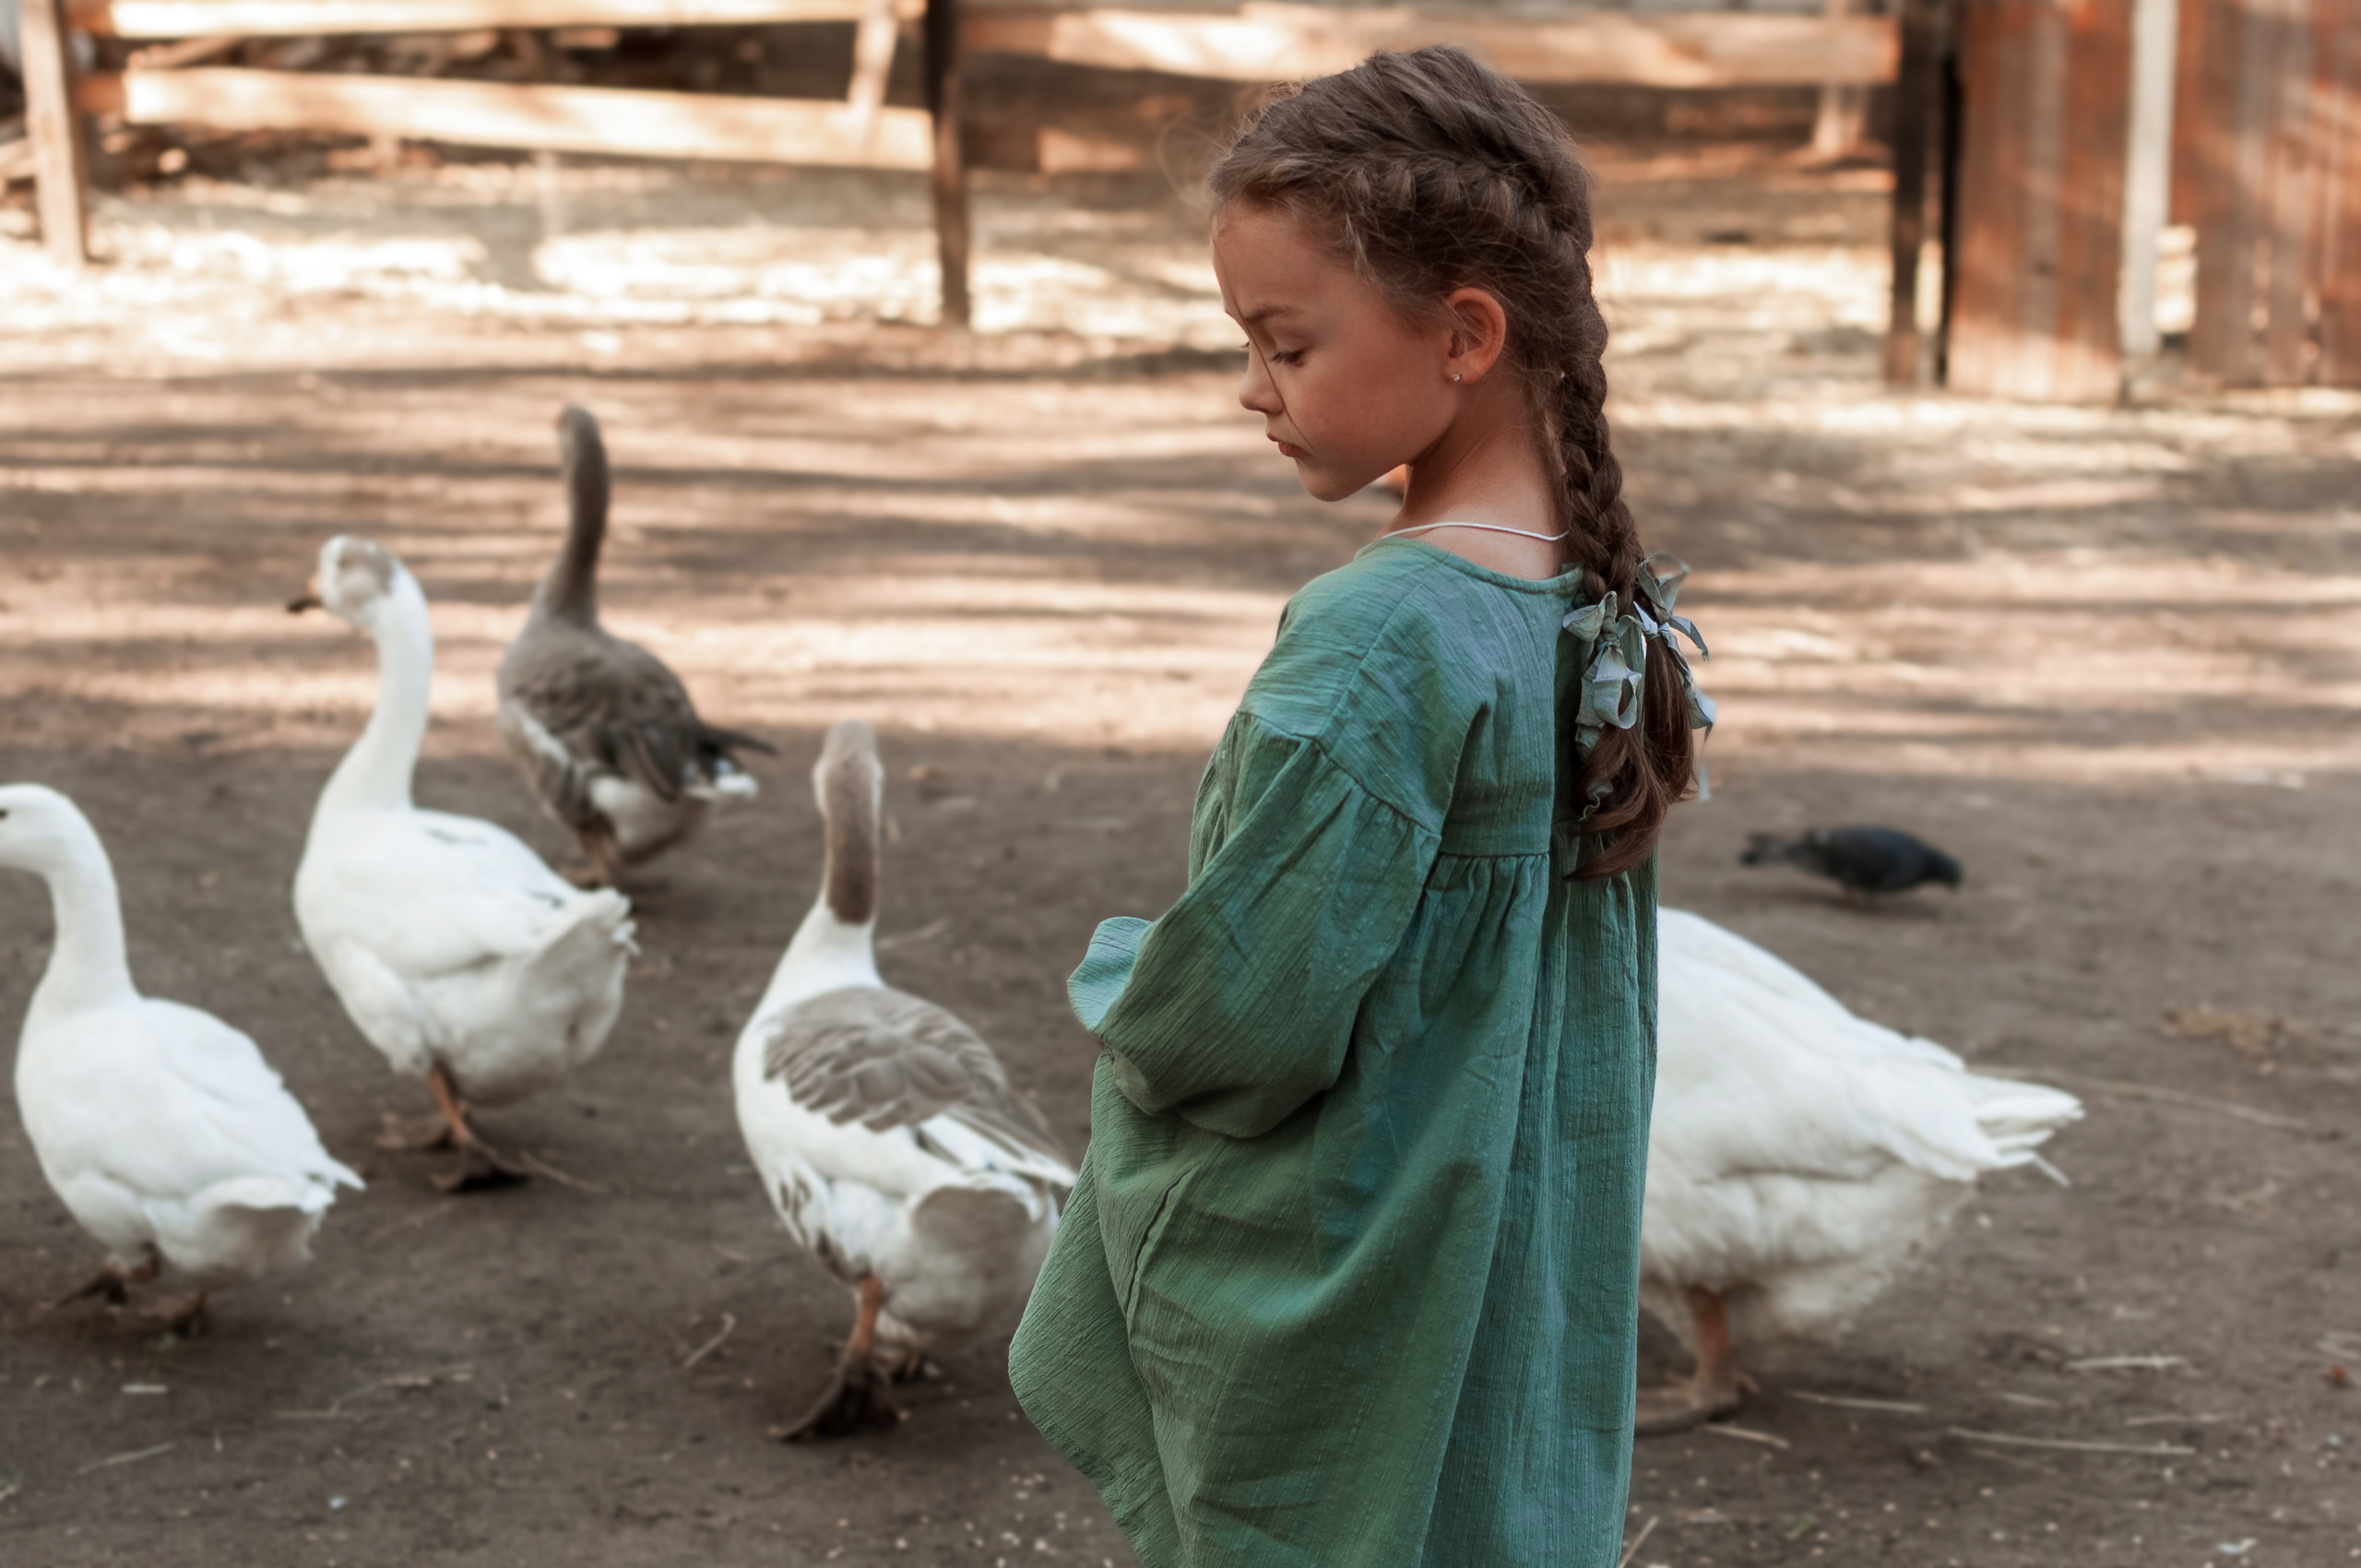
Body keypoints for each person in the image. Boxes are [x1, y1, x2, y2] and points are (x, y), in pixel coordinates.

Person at [1007, 45, 1714, 1566]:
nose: (1252, 388)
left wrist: (1132, 974)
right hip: (1524, 1255)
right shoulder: (1601, 600)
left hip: (1371, 1267)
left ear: (1465, 333)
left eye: (1286, 343)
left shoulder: (1382, 637)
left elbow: (1246, 1023)